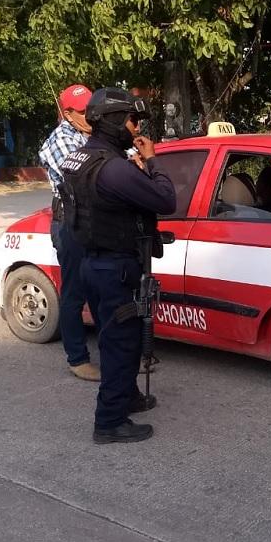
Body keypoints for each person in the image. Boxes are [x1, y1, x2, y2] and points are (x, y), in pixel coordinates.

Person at [59, 88, 176, 444]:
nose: (136, 126)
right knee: (121, 344)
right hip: (114, 267)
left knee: (115, 337)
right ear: (112, 121)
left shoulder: (80, 158)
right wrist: (153, 162)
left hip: (93, 263)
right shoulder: (112, 169)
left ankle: (128, 397)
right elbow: (166, 200)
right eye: (132, 119)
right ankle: (109, 421)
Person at [38, 84, 101, 382]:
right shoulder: (59, 141)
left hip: (95, 220)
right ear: (67, 114)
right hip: (70, 221)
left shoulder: (93, 135)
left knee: (103, 289)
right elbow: (85, 176)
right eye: (84, 110)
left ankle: (117, 352)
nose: (91, 114)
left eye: (92, 107)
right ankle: (77, 358)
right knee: (75, 292)